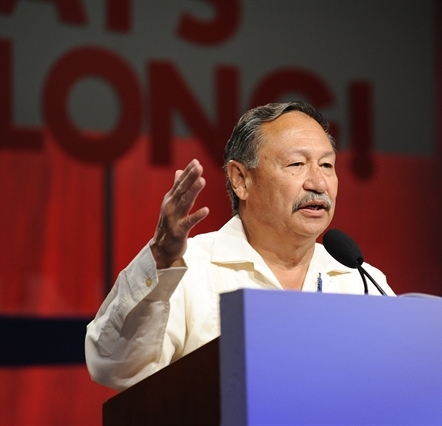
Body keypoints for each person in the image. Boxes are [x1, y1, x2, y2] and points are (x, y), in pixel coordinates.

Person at [85, 101, 395, 391]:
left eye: (327, 165)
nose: (318, 183)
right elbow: (115, 367)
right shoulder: (188, 268)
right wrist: (160, 260)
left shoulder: (362, 281)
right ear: (241, 180)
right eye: (297, 164)